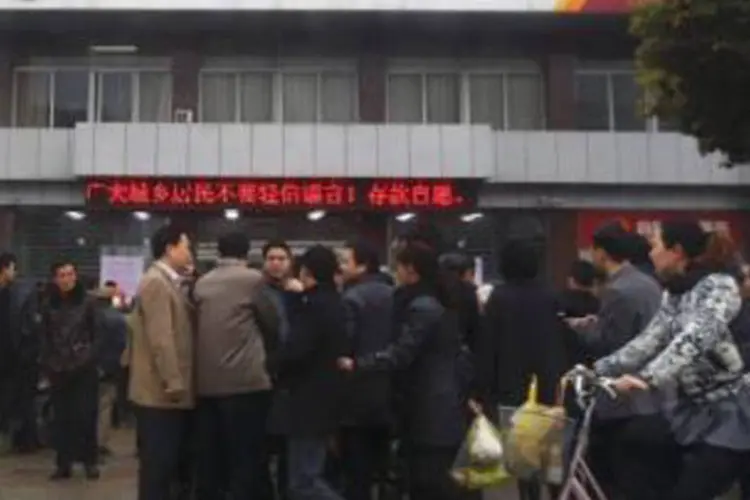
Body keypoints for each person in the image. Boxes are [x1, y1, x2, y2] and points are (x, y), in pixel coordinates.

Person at [595, 221, 750, 500]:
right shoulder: (675, 292)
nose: (650, 252)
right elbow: (650, 339)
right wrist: (599, 369)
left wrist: (647, 378)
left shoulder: (719, 287)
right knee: (635, 445)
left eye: (655, 245)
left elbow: (696, 338)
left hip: (732, 412)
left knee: (690, 489)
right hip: (694, 410)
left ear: (676, 251)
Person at [338, 242, 467, 500]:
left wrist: (359, 364)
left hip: (429, 403)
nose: (395, 273)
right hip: (438, 400)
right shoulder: (436, 300)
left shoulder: (422, 306)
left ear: (411, 270)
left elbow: (402, 353)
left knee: (428, 478)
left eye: (398, 267)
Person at [476, 239, 567, 500]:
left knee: (522, 455)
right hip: (547, 382)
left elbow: (488, 346)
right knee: (550, 453)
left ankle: (529, 495)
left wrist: (483, 390)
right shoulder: (549, 295)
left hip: (510, 383)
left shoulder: (499, 297)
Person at [192, 232, 280, 500]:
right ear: (247, 252)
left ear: (219, 251)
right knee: (247, 456)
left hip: (206, 384)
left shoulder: (201, 284)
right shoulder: (254, 280)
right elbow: (273, 323)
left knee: (213, 456)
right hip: (246, 383)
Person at [267, 245, 348, 500]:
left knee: (303, 481)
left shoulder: (313, 305)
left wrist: (272, 364)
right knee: (307, 475)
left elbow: (297, 350)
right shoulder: (335, 301)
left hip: (308, 401)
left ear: (306, 271)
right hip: (327, 397)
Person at [129, 224, 195, 500]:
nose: (189, 252)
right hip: (160, 393)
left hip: (164, 393)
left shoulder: (169, 281)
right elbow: (161, 338)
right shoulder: (156, 282)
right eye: (186, 246)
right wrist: (174, 380)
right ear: (170, 249)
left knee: (166, 465)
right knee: (158, 466)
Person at [339, 240, 394, 500]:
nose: (339, 267)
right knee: (385, 465)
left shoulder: (351, 297)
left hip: (356, 392)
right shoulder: (395, 293)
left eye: (344, 261)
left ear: (362, 266)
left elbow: (344, 344)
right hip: (391, 391)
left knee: (357, 471)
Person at [40, 260, 100, 480]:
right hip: (58, 368)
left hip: (83, 368)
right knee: (61, 418)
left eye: (69, 274)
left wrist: (88, 356)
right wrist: (48, 363)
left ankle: (90, 461)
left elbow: (96, 335)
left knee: (86, 416)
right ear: (55, 279)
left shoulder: (88, 302)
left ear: (76, 276)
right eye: (61, 275)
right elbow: (45, 336)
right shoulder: (49, 305)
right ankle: (63, 463)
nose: (66, 279)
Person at [0, 252, 40, 454]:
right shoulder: (15, 294)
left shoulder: (14, 293)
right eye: (13, 268)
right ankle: (21, 439)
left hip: (13, 360)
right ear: (6, 268)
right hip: (14, 360)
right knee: (19, 400)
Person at [93, 282, 127, 461]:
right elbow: (123, 345)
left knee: (90, 407)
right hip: (110, 369)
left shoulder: (90, 317)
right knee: (105, 408)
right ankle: (100, 443)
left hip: (90, 367)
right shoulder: (118, 318)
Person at [559, 259, 601, 367]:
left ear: (571, 280)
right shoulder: (599, 303)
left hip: (566, 357)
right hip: (594, 358)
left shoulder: (561, 300)